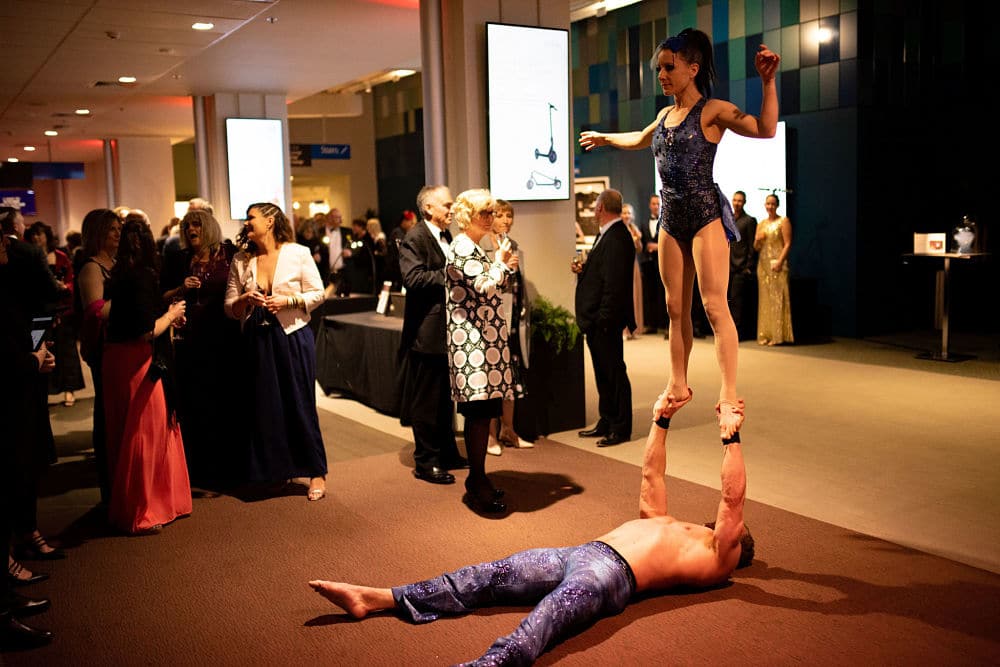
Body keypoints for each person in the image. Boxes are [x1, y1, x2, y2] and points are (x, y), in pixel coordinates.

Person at [309, 394, 752, 667]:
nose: (719, 522)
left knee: (542, 623)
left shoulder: (720, 556)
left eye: (734, 529)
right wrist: (660, 421)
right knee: (487, 575)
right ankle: (382, 597)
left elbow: (732, 500)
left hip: (610, 577)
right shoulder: (667, 523)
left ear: (739, 545)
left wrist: (731, 438)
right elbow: (652, 478)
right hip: (581, 551)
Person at [579, 28, 780, 439]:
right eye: (659, 69)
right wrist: (605, 137)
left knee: (713, 305)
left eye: (669, 67)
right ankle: (678, 382)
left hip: (705, 214)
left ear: (694, 67)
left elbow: (765, 129)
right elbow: (639, 138)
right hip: (671, 218)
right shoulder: (663, 116)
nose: (662, 75)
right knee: (675, 309)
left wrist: (768, 82)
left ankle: (728, 392)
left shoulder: (712, 111)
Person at [224, 202, 328, 501]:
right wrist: (245, 298)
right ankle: (277, 471)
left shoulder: (298, 253)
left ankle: (316, 472)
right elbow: (229, 307)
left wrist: (288, 302)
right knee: (266, 408)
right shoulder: (242, 260)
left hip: (293, 336)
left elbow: (318, 293)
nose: (247, 223)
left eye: (251, 218)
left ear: (270, 222)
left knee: (300, 403)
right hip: (256, 338)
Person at [102, 218, 191, 535]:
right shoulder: (141, 276)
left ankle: (143, 505)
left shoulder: (118, 274)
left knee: (130, 432)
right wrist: (172, 315)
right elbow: (145, 330)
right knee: (146, 434)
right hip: (139, 361)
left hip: (119, 360)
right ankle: (142, 510)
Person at [444, 189, 519, 513]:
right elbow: (484, 286)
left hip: (484, 343)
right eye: (484, 213)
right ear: (467, 217)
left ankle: (478, 478)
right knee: (478, 413)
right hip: (471, 343)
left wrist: (503, 267)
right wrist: (501, 264)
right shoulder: (461, 246)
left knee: (485, 409)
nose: (490, 218)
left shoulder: (475, 246)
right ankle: (476, 481)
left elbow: (493, 284)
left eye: (491, 212)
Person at [1, 229, 56, 649]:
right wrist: (30, 359)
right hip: (8, 394)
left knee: (21, 471)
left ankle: (5, 598)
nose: (6, 243)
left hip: (18, 391)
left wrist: (36, 356)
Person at [160, 209, 241, 486]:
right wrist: (181, 288)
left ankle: (228, 465)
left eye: (196, 224)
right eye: (187, 226)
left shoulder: (229, 253)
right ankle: (199, 468)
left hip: (225, 337)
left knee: (225, 398)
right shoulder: (179, 259)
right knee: (195, 402)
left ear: (208, 227)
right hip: (191, 340)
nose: (191, 229)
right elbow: (162, 296)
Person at [398, 185, 468, 485]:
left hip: (446, 331)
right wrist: (454, 274)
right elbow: (413, 278)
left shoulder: (445, 236)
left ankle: (447, 453)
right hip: (426, 333)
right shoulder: (415, 238)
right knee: (427, 400)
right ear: (428, 209)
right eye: (447, 205)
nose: (451, 210)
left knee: (444, 400)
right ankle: (426, 462)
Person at [571, 189, 636, 447]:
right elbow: (603, 273)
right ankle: (607, 419)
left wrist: (604, 319)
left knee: (614, 373)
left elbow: (614, 285)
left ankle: (620, 427)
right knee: (603, 373)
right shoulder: (608, 234)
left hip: (605, 321)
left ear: (600, 209)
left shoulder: (618, 237)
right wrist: (584, 269)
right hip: (598, 320)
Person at [75, 209, 121, 506]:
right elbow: (96, 310)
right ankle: (110, 487)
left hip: (122, 346)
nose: (118, 234)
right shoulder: (92, 268)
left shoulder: (116, 263)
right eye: (112, 229)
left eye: (119, 229)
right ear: (98, 233)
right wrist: (134, 302)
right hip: (105, 349)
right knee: (107, 415)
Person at [480, 198, 530, 456]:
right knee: (493, 380)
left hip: (511, 318)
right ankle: (490, 436)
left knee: (511, 377)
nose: (506, 221)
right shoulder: (482, 246)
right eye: (501, 215)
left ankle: (508, 430)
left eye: (510, 216)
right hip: (490, 318)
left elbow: (517, 283)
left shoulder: (513, 244)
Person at [26, 221, 84, 407]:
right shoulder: (29, 257)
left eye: (40, 234)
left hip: (62, 310)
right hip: (38, 312)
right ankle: (46, 391)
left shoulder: (59, 256)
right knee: (41, 350)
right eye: (34, 234)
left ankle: (69, 390)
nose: (37, 237)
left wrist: (64, 287)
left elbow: (71, 281)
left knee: (66, 352)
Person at [754, 193, 794, 346]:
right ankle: (766, 333)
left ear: (777, 205)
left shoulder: (783, 221)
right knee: (765, 300)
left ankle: (778, 335)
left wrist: (780, 261)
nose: (770, 206)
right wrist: (758, 240)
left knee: (777, 298)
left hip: (777, 263)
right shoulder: (761, 223)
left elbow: (788, 243)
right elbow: (756, 247)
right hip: (763, 265)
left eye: (772, 204)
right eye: (767, 204)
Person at [728, 190, 758, 341]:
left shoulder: (749, 221)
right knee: (728, 301)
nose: (737, 203)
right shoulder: (729, 219)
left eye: (739, 201)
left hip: (741, 267)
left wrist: (749, 266)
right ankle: (730, 332)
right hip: (727, 267)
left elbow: (752, 246)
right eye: (735, 200)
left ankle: (737, 333)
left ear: (744, 202)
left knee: (737, 302)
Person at [638, 194, 667, 335]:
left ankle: (667, 326)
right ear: (650, 205)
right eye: (653, 203)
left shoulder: (666, 222)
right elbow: (641, 244)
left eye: (658, 203)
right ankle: (652, 325)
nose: (656, 206)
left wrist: (657, 246)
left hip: (662, 263)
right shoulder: (643, 223)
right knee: (650, 295)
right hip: (647, 263)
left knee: (664, 294)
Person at [621, 203, 644, 340]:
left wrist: (638, 240)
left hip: (633, 265)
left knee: (635, 296)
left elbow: (639, 249)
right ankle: (624, 330)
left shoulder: (634, 229)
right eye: (624, 213)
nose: (627, 215)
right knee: (625, 297)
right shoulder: (618, 230)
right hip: (622, 266)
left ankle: (633, 329)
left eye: (629, 213)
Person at [316, 208, 351, 295]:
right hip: (326, 272)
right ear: (330, 218)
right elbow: (315, 248)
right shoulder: (320, 232)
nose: (341, 220)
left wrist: (350, 252)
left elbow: (354, 246)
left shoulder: (346, 232)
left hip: (342, 271)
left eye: (340, 217)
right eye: (337, 217)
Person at [386, 210, 417, 290]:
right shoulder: (398, 233)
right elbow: (401, 252)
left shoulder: (404, 233)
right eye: (411, 223)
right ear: (404, 221)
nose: (412, 225)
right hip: (396, 271)